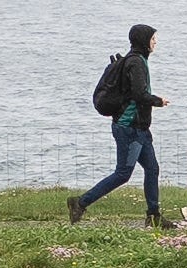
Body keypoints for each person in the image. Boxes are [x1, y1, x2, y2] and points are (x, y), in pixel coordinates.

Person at [73, 23, 173, 226]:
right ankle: (80, 203)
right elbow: (138, 94)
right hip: (129, 127)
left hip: (141, 128)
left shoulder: (138, 60)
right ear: (144, 41)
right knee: (123, 174)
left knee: (152, 169)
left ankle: (153, 216)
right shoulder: (136, 62)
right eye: (153, 38)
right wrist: (157, 101)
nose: (156, 42)